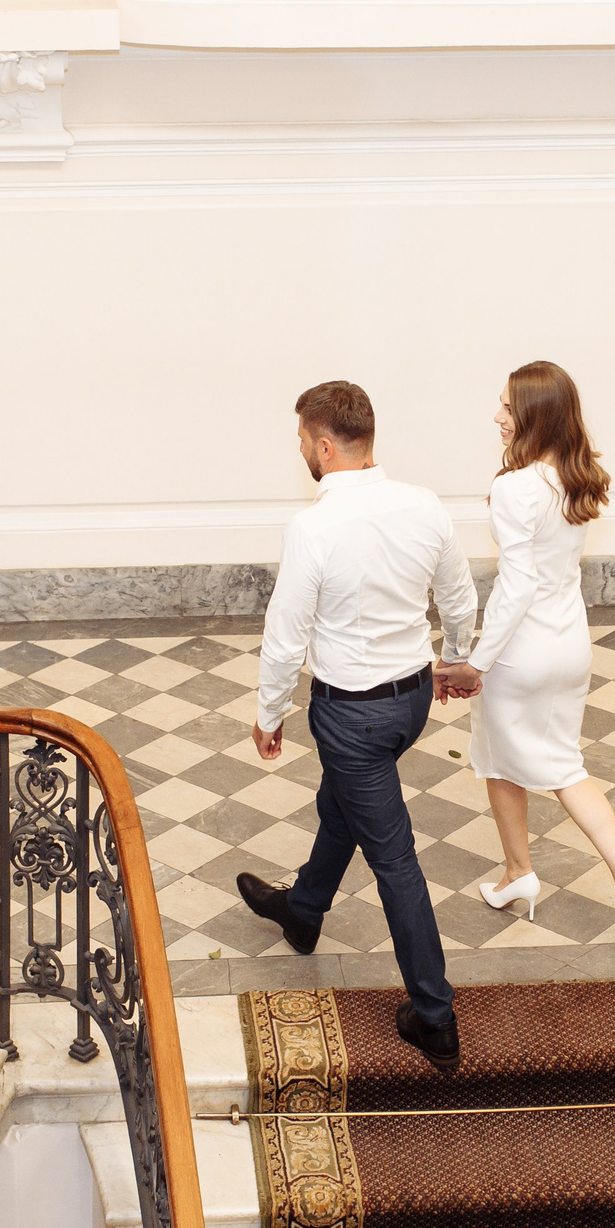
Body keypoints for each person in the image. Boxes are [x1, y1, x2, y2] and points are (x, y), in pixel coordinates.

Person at [237, 380, 480, 1070]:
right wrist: (456, 660)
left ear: (322, 443)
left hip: (351, 714)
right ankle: (303, 909)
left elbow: (286, 634)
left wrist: (268, 712)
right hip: (409, 705)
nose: (303, 455)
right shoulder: (424, 504)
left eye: (301, 444)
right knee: (342, 801)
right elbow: (459, 597)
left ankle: (433, 1014)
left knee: (393, 857)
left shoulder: (313, 527)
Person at [436, 361, 615, 964]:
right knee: (500, 754)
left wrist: (476, 662)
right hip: (571, 646)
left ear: (535, 416)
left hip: (523, 653)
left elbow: (515, 587)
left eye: (508, 409)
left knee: (552, 767)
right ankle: (519, 872)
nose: (498, 417)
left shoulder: (516, 489)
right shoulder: (574, 479)